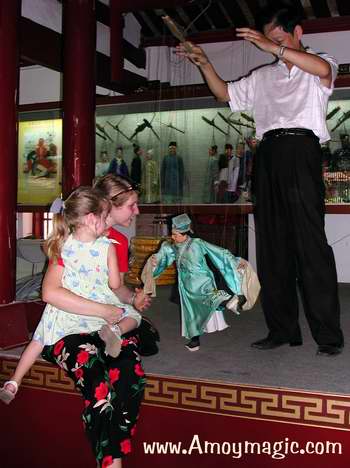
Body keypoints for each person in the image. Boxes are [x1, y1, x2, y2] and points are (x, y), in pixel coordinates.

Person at [177, 2, 344, 355]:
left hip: (301, 151)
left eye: (279, 38)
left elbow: (323, 70)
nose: (271, 46)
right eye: (267, 40)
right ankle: (282, 329)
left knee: (311, 246)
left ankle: (328, 336)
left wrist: (275, 48)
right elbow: (225, 94)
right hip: (267, 154)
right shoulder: (263, 76)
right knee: (271, 245)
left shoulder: (319, 65)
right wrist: (204, 62)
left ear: (298, 34)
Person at [1, 186, 144, 467]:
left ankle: (14, 381)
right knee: (102, 379)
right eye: (105, 218)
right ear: (93, 219)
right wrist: (120, 301)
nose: (108, 224)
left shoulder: (62, 246)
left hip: (77, 320)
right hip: (85, 323)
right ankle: (113, 457)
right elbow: (114, 286)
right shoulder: (105, 248)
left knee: (128, 374)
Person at [142, 214, 260, 351]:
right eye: (172, 234)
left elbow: (220, 253)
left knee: (211, 297)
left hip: (202, 280)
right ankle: (195, 339)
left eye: (176, 234)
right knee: (190, 313)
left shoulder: (197, 243)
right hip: (185, 285)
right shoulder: (172, 247)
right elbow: (163, 256)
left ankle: (229, 301)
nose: (173, 237)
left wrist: (235, 262)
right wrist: (155, 261)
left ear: (185, 233)